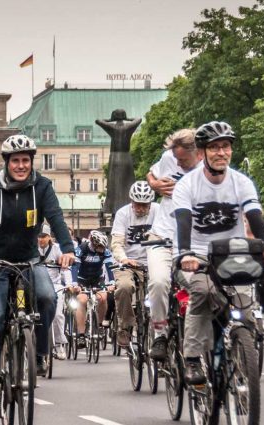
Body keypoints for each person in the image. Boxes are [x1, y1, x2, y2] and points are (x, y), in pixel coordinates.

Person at [173, 121, 264, 385]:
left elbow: (254, 217)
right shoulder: (187, 185)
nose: (221, 153)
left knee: (245, 308)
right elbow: (183, 222)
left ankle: (241, 352)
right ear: (202, 153)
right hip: (197, 256)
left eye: (226, 146)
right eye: (214, 148)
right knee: (202, 292)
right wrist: (185, 254)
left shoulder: (242, 182)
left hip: (233, 256)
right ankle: (192, 358)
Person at [0, 135, 75, 418]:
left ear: (32, 162)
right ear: (6, 163)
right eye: (15, 161)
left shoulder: (42, 186)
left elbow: (56, 217)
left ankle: (40, 353)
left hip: (29, 259)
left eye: (25, 160)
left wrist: (67, 249)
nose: (21, 166)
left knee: (47, 297)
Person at [144, 129, 202, 360]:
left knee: (200, 287)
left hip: (193, 241)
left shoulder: (208, 170)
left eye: (183, 160)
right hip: (162, 234)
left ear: (198, 153)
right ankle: (160, 332)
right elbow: (151, 173)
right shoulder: (169, 157)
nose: (177, 163)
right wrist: (155, 184)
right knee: (158, 282)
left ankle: (196, 336)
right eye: (175, 159)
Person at [109, 181, 158, 347]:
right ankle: (125, 326)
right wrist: (124, 259)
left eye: (145, 205)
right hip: (128, 263)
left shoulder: (159, 211)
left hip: (152, 262)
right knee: (124, 287)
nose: (141, 208)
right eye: (137, 204)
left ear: (150, 203)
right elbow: (117, 243)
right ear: (131, 202)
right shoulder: (123, 214)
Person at [71, 230, 115, 346]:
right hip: (82, 279)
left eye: (103, 247)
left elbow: (109, 267)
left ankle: (99, 326)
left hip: (97, 279)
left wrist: (111, 282)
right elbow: (75, 267)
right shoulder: (82, 249)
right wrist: (75, 283)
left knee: (103, 298)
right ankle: (81, 335)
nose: (102, 249)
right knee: (82, 300)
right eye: (99, 246)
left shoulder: (105, 251)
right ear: (94, 244)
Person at [37, 224, 73, 362]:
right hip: (37, 286)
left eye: (44, 237)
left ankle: (59, 344)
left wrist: (69, 284)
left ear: (49, 237)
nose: (41, 240)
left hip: (55, 285)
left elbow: (65, 268)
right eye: (39, 237)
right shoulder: (32, 249)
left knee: (57, 315)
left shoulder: (57, 249)